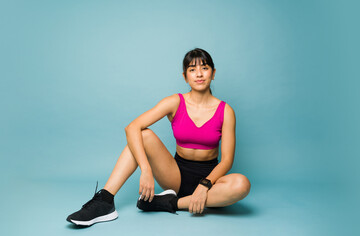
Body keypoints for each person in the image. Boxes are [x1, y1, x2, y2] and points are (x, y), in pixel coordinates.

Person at [66, 48, 251, 226]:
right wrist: (146, 170)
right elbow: (132, 127)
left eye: (204, 68)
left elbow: (226, 161)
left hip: (211, 180)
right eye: (192, 70)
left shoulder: (226, 111)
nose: (199, 74)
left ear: (213, 73)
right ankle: (105, 201)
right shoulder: (175, 102)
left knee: (242, 184)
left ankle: (168, 203)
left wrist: (204, 185)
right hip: (175, 176)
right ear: (185, 77)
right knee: (142, 135)